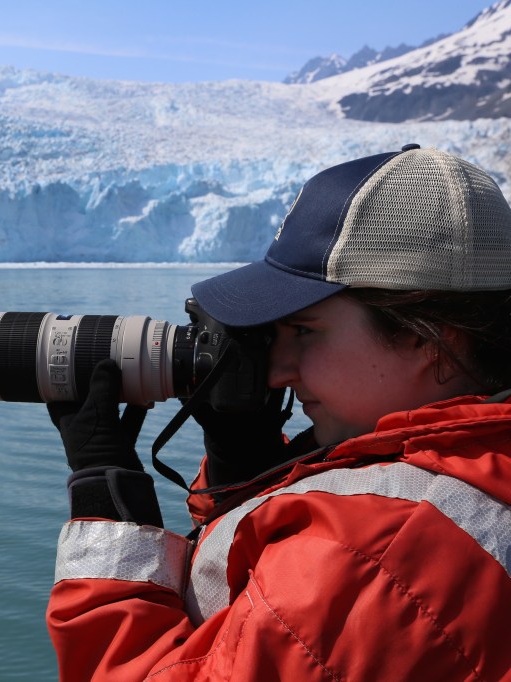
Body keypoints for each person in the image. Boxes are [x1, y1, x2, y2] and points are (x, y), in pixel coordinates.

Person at [45, 145, 511, 681]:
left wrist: (111, 523)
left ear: (431, 339)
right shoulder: (473, 466)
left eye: (304, 331)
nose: (276, 371)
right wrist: (244, 467)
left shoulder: (374, 553)